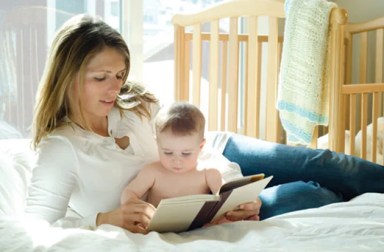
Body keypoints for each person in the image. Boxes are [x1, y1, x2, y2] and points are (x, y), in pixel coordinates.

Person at [25, 13, 384, 234]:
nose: (115, 87)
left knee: (325, 162)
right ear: (68, 76)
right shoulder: (61, 147)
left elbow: (203, 150)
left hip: (212, 154)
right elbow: (36, 228)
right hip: (197, 213)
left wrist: (228, 187)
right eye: (101, 77)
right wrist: (103, 219)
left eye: (119, 74)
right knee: (312, 192)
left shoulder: (135, 105)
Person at [121, 101, 223, 207]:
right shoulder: (153, 172)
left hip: (198, 223)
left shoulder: (208, 174)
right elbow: (130, 192)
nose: (177, 160)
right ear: (157, 144)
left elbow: (226, 199)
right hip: (159, 223)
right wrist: (133, 206)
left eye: (186, 153)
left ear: (200, 147)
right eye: (168, 152)